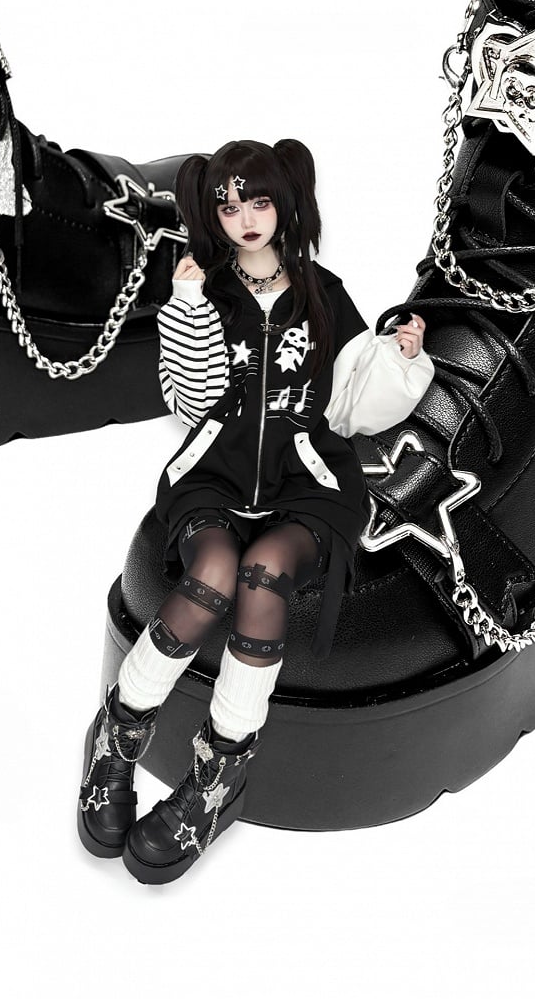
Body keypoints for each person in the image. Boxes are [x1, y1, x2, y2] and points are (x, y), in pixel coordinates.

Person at [78, 139, 434, 884]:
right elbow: (193, 400)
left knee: (265, 574)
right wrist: (187, 308)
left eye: (259, 201)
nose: (244, 218)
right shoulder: (205, 291)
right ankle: (115, 737)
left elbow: (351, 407)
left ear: (285, 203)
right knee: (212, 570)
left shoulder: (322, 292)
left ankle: (219, 776)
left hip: (309, 480)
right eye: (228, 205)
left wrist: (400, 360)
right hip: (216, 473)